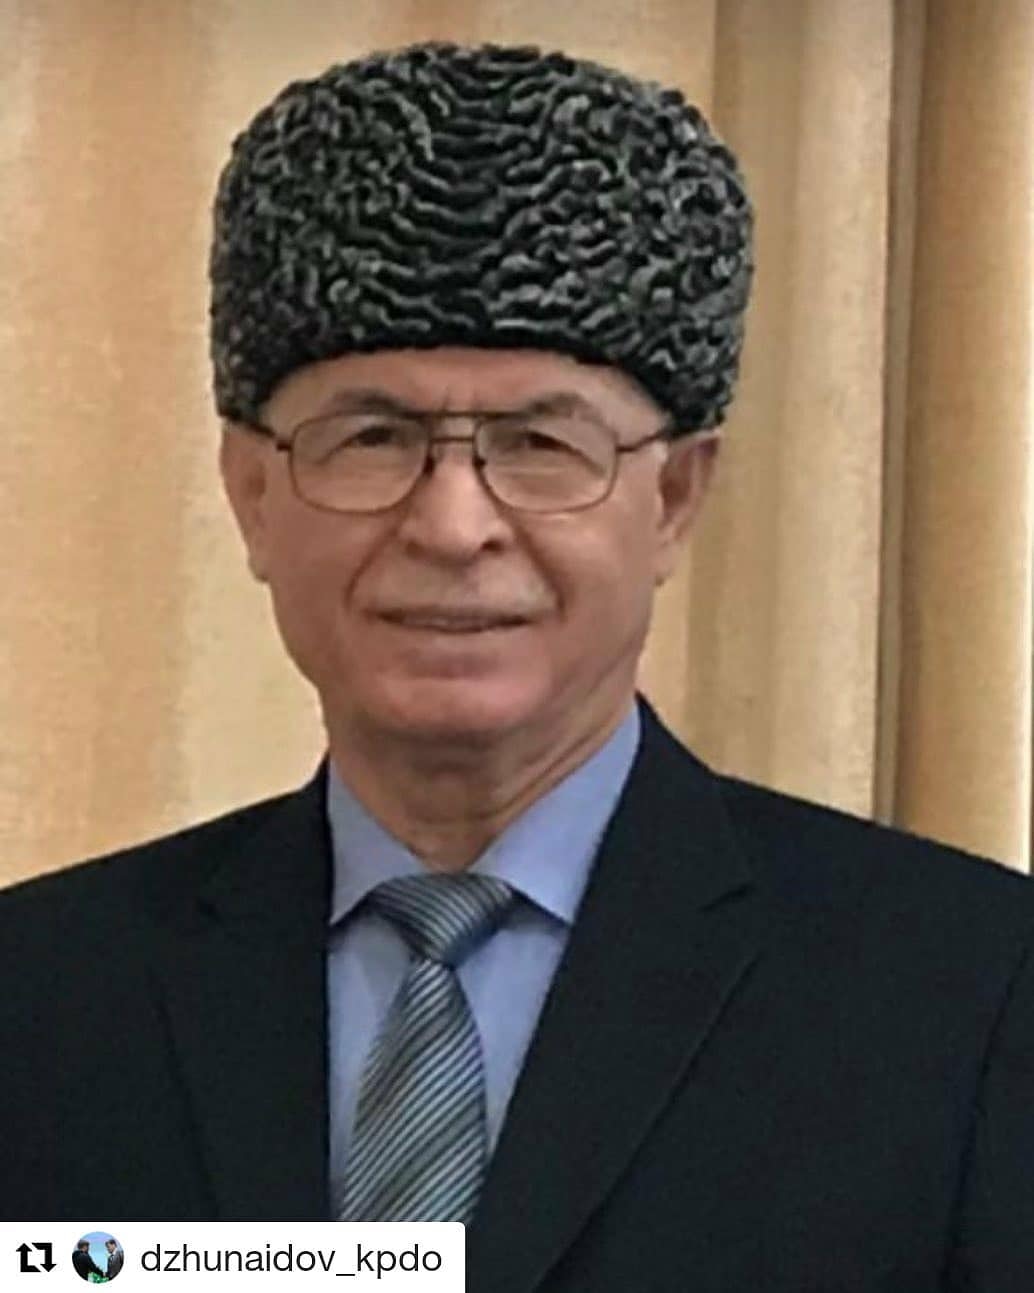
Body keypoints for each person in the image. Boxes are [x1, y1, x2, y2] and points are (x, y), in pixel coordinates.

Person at [2, 40, 1032, 1291]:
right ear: (252, 494)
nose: (451, 526)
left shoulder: (967, 1000)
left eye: (541, 444)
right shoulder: (44, 1002)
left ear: (673, 498)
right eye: (371, 437)